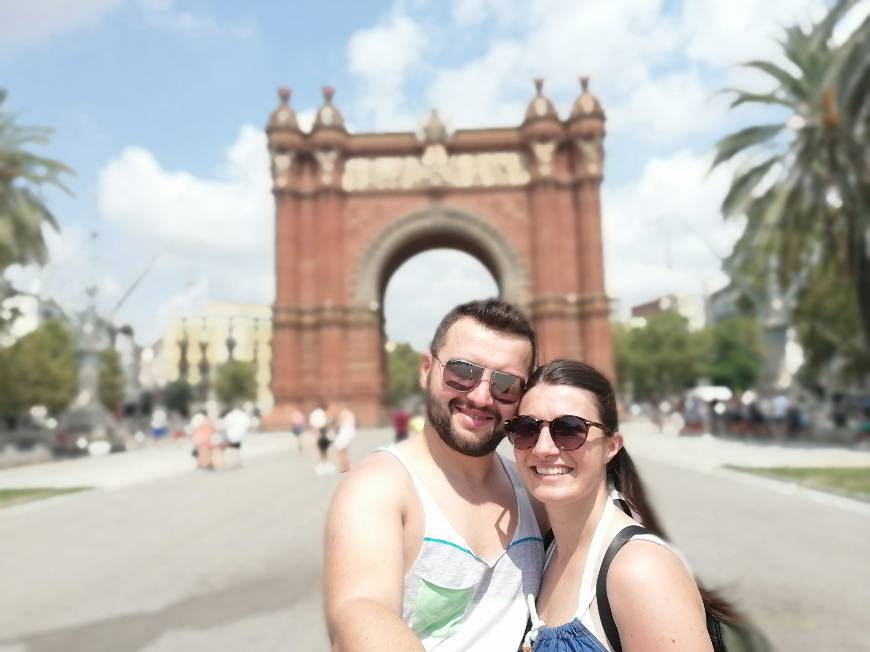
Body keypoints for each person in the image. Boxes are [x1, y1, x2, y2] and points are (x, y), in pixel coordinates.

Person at [324, 299, 546, 651]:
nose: (481, 396)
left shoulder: (536, 493)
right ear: (426, 369)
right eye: (462, 372)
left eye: (505, 385)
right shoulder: (377, 488)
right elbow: (361, 610)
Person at [506, 360, 735, 652]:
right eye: (526, 429)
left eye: (570, 430)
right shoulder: (545, 551)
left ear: (611, 447)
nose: (543, 448)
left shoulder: (641, 570)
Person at [310, 402, 335, 475]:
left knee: (323, 451)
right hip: (323, 435)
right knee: (323, 451)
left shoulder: (322, 415)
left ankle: (325, 465)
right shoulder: (322, 415)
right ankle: (324, 465)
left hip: (324, 436)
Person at [332, 406, 356, 473]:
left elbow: (338, 424)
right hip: (350, 431)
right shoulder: (348, 413)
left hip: (345, 431)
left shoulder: (342, 413)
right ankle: (347, 467)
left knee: (339, 450)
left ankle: (344, 467)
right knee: (344, 450)